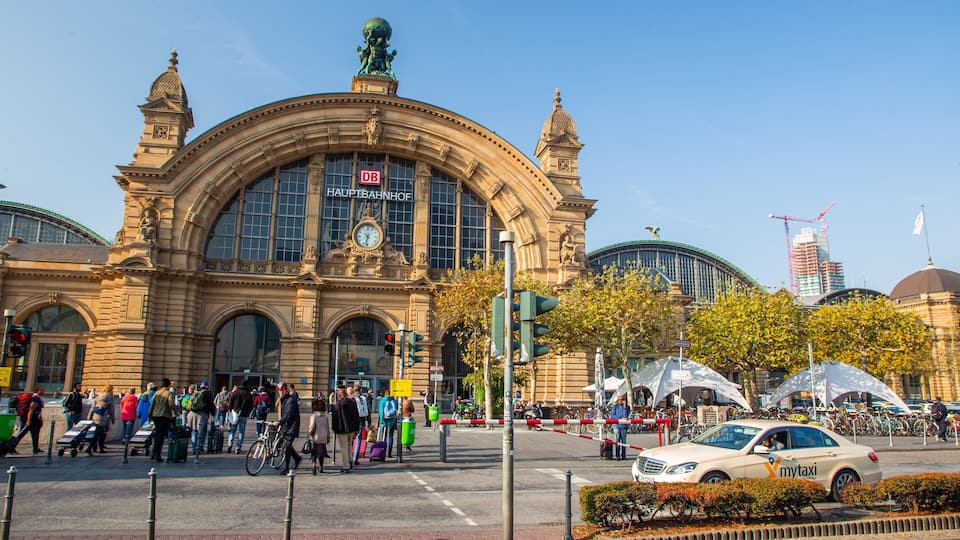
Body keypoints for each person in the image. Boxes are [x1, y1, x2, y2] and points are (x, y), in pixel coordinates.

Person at [272, 382, 301, 473]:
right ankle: (297, 458)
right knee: (285, 444)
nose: (280, 392)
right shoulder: (282, 399)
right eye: (279, 391)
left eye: (282, 390)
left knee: (287, 446)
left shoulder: (291, 400)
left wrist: (280, 422)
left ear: (285, 390)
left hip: (292, 426)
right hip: (286, 425)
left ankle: (287, 467)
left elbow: (288, 414)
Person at [332, 387, 360, 472]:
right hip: (351, 428)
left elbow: (334, 418)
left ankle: (346, 466)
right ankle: (350, 461)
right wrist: (357, 427)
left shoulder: (337, 404)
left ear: (339, 395)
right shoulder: (352, 403)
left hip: (341, 429)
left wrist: (334, 428)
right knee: (349, 445)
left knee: (343, 447)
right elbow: (356, 415)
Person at [149, 378, 178, 463]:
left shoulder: (157, 393)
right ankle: (158, 455)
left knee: (157, 434)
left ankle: (154, 453)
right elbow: (171, 404)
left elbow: (152, 405)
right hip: (164, 416)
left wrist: (150, 415)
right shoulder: (168, 393)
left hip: (155, 415)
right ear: (168, 385)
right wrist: (176, 412)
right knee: (161, 436)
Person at [187, 380, 214, 455]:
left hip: (192, 413)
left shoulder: (196, 392)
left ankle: (193, 448)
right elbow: (211, 405)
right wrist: (213, 414)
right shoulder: (208, 393)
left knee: (194, 431)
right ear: (207, 386)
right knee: (203, 431)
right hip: (202, 414)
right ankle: (200, 446)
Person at [226, 383, 253, 454]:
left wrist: (230, 411)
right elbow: (251, 405)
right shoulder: (248, 394)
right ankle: (238, 447)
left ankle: (230, 444)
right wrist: (248, 413)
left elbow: (230, 403)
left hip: (235, 413)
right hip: (244, 414)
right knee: (241, 432)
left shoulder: (235, 393)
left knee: (232, 430)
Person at [88, 385, 116, 454]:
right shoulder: (110, 397)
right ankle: (92, 447)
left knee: (98, 432)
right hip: (104, 417)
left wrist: (89, 417)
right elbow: (112, 409)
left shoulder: (98, 396)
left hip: (95, 416)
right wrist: (113, 418)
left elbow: (92, 407)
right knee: (101, 433)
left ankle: (95, 447)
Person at [307, 396, 331, 475]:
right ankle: (321, 467)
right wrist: (328, 437)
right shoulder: (325, 416)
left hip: (315, 437)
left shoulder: (313, 416)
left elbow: (311, 426)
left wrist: (309, 433)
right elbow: (327, 427)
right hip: (323, 437)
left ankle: (314, 465)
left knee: (314, 452)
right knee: (322, 453)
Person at [24, 387, 45, 454]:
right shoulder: (35, 398)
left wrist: (40, 418)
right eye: (42, 390)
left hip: (35, 418)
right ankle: (12, 446)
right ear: (37, 391)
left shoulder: (38, 398)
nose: (43, 391)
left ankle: (35, 448)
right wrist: (28, 420)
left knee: (35, 434)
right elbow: (31, 409)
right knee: (23, 433)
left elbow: (38, 410)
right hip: (32, 419)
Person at [378, 389, 398, 458]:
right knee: (391, 437)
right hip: (392, 420)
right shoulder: (394, 400)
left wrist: (381, 422)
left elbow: (381, 412)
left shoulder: (382, 400)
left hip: (385, 420)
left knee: (384, 436)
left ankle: (383, 452)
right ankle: (389, 453)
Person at [610, 395, 630, 461]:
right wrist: (620, 418)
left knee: (624, 441)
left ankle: (623, 456)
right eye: (619, 400)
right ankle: (617, 455)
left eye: (622, 400)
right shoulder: (615, 407)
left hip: (624, 426)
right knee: (617, 440)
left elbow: (626, 416)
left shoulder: (627, 407)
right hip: (616, 425)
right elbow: (613, 416)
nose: (620, 401)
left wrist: (624, 407)